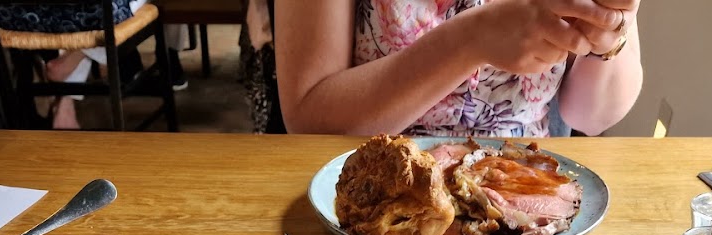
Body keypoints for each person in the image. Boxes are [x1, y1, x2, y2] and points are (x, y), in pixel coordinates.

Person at [273, 0, 643, 138]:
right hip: (367, 195)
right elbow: (308, 116)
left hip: (525, 196)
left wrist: (609, 35)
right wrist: (471, 40)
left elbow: (590, 118)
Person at [0, 0, 188, 129]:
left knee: (79, 12)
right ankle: (77, 58)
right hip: (93, 15)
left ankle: (66, 99)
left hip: (14, 15)